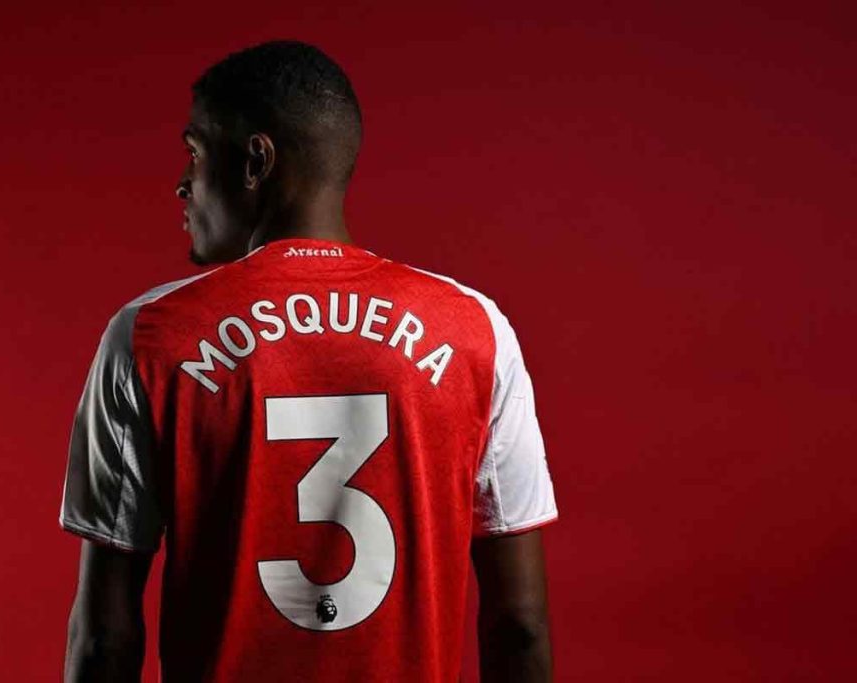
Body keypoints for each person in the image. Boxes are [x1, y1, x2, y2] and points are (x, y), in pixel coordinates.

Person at [59, 39, 558, 683]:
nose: (182, 183)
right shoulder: (475, 332)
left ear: (255, 162)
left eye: (196, 153)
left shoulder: (153, 337)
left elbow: (105, 636)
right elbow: (520, 626)